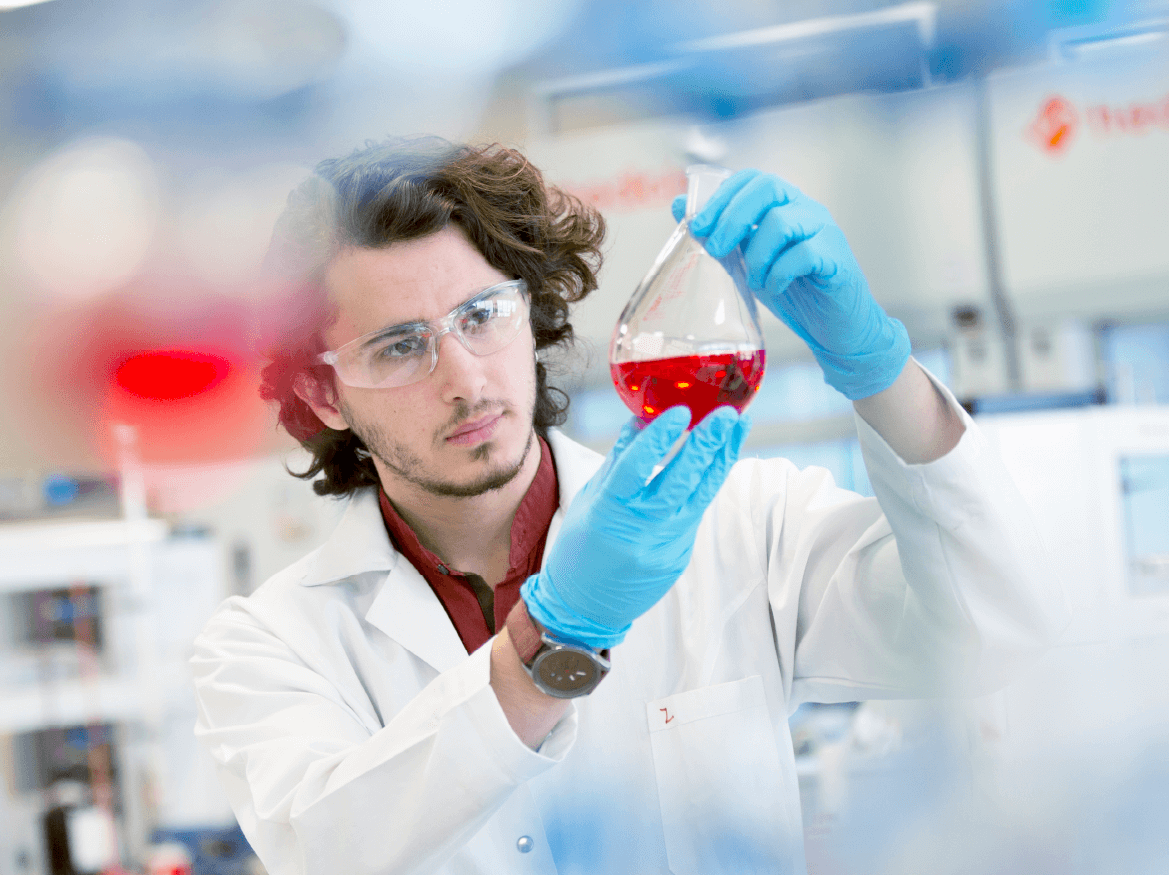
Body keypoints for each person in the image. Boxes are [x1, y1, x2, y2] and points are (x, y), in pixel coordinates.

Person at [190, 137, 1068, 875]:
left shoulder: (739, 526)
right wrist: (555, 639)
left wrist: (878, 370)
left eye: (483, 315)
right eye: (399, 345)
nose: (464, 379)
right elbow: (329, 847)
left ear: (529, 317)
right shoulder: (268, 644)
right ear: (325, 394)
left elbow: (997, 629)